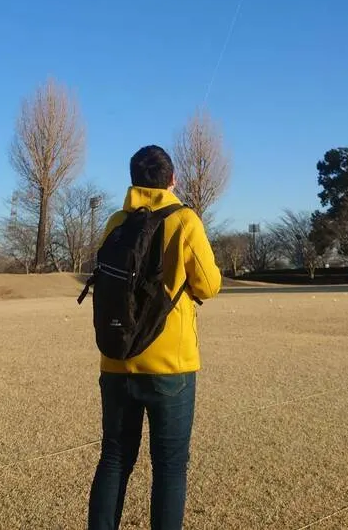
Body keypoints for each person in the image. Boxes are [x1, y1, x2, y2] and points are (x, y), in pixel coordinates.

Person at [88, 144, 222, 530]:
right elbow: (209, 285)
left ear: (132, 180)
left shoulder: (116, 222)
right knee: (169, 467)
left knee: (114, 459)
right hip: (170, 366)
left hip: (116, 359)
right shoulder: (184, 220)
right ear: (172, 179)